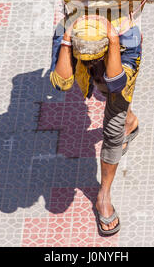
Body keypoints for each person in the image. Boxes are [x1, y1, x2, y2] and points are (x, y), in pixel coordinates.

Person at [50, 14, 142, 235]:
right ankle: (130, 121)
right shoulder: (65, 31)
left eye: (93, 58)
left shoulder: (128, 38)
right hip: (81, 37)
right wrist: (66, 39)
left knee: (113, 130)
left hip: (117, 48)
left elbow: (117, 83)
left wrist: (112, 39)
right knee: (101, 85)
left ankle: (104, 195)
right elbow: (61, 83)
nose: (90, 63)